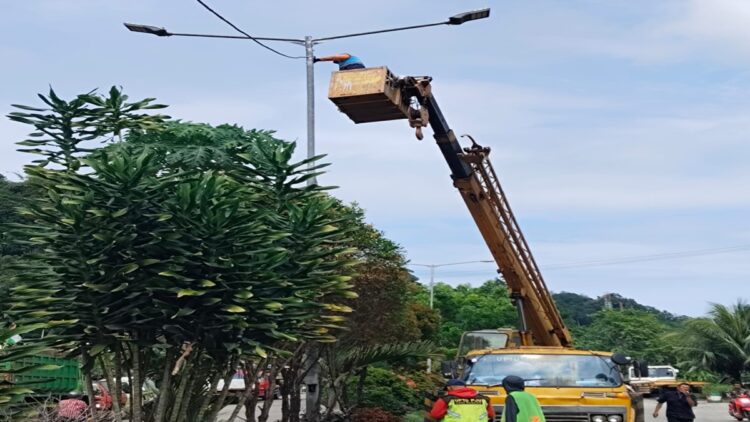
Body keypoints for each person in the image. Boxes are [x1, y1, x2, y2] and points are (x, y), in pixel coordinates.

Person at [429, 379, 495, 421]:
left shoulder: (446, 399)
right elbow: (491, 415)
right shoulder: (484, 399)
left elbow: (435, 415)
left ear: (449, 388)